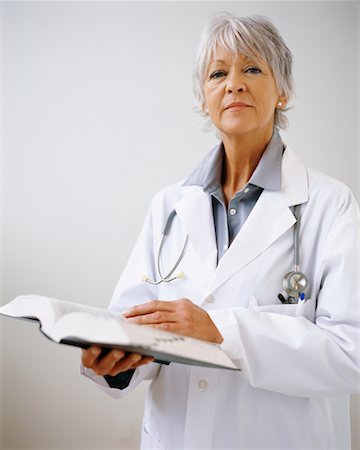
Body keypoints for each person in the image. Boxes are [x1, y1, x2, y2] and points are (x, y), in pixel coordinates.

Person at [81, 13, 359, 449]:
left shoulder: (330, 204)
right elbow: (136, 323)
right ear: (202, 97)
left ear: (282, 91)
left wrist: (219, 329)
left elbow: (350, 353)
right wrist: (119, 362)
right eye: (217, 73)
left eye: (252, 68)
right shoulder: (169, 207)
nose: (233, 84)